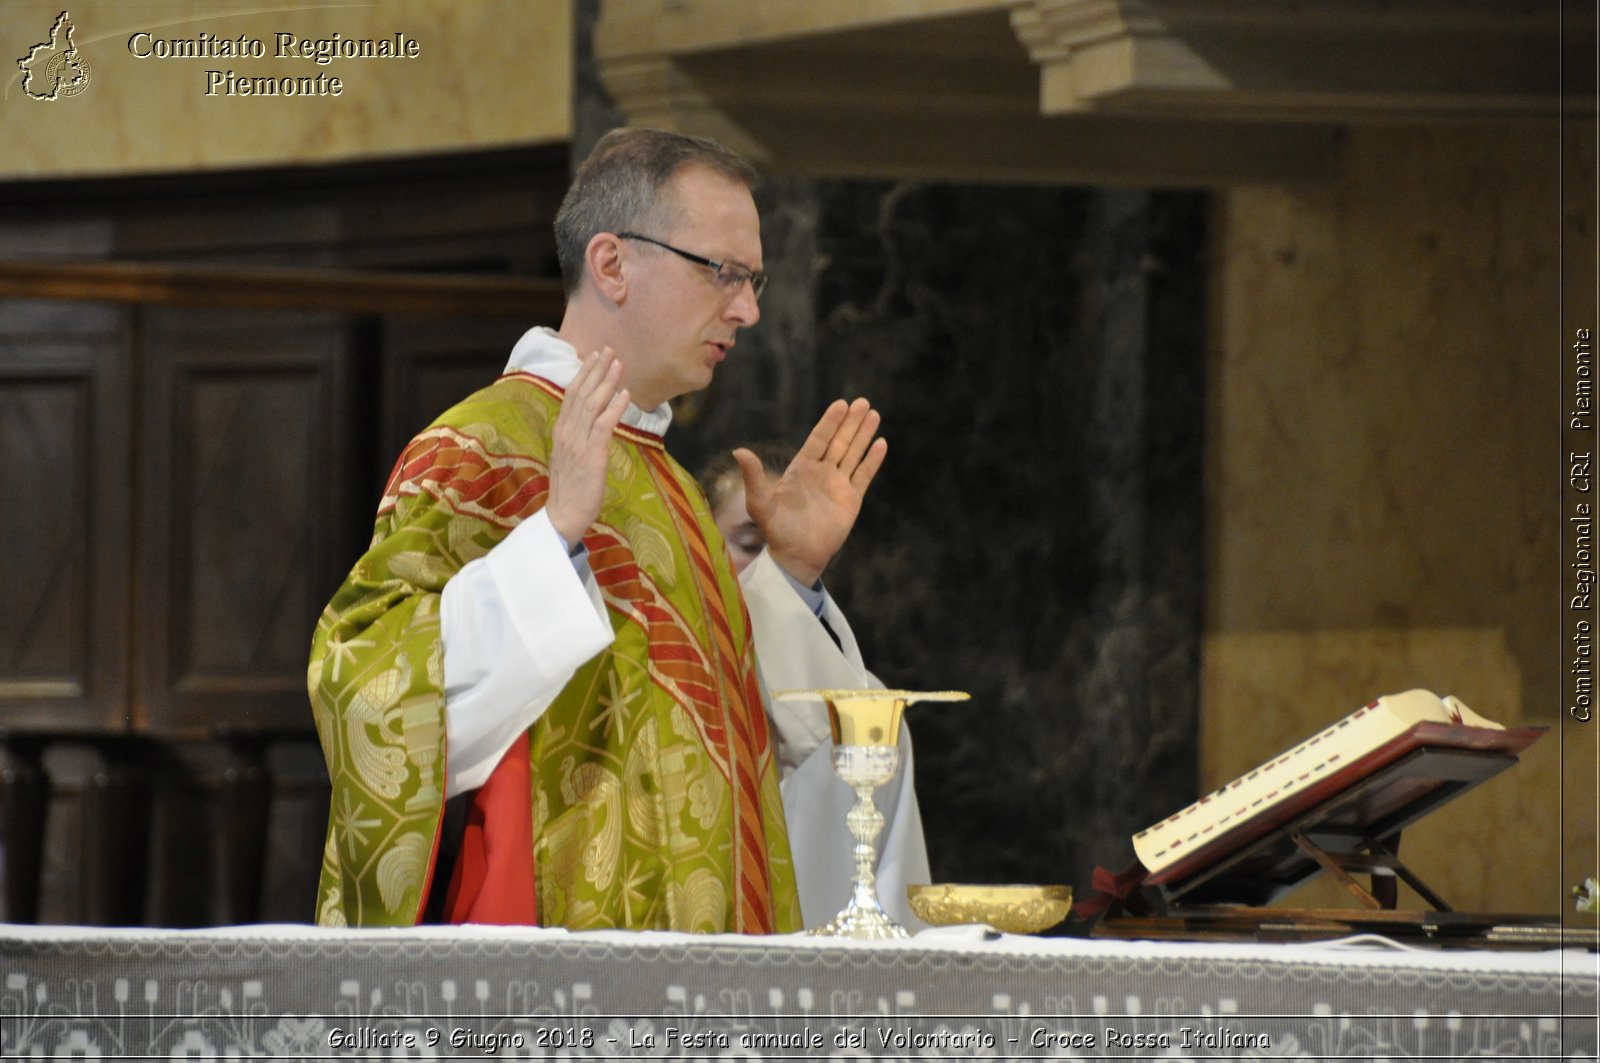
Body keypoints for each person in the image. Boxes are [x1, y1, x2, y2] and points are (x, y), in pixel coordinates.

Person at [308, 127, 917, 933]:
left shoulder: (669, 481)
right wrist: (553, 536)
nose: (749, 308)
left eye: (756, 278)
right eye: (723, 272)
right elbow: (362, 689)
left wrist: (789, 578)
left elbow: (703, 726)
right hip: (563, 972)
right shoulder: (482, 448)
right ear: (611, 264)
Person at [697, 446, 931, 929]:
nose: (769, 569)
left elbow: (896, 891)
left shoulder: (866, 709)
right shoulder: (666, 686)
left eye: (779, 551)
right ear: (698, 548)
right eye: (750, 543)